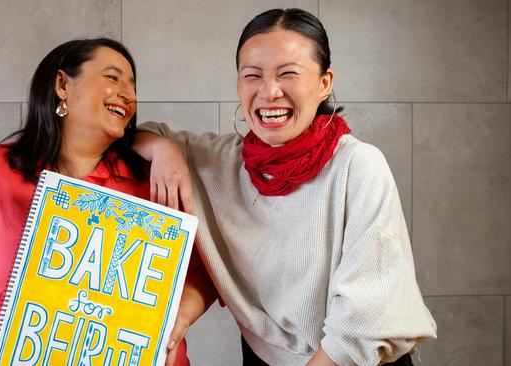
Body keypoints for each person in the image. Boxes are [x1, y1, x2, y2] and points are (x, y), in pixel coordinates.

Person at [135, 8, 437, 366]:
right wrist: (164, 149)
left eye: (288, 74)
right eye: (252, 75)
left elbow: (364, 320)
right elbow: (130, 134)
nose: (269, 91)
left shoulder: (358, 166)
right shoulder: (220, 163)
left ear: (325, 83)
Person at [0, 38, 196, 366]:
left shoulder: (154, 184)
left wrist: (173, 326)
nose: (130, 94)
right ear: (62, 84)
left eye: (133, 85)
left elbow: (204, 269)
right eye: (113, 78)